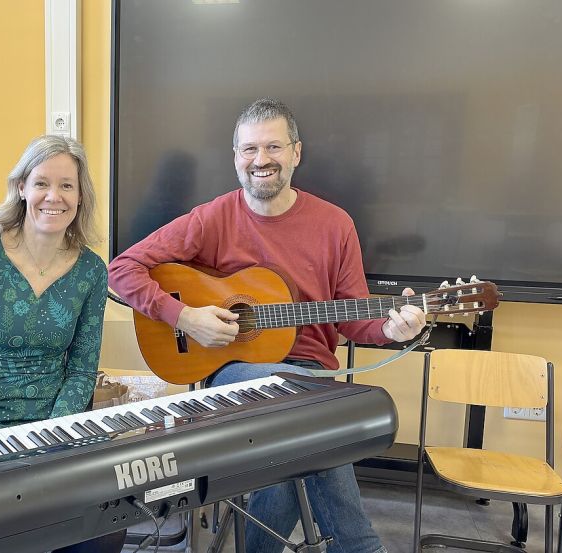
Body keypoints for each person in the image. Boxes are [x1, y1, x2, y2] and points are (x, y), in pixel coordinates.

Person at [108, 98, 426, 553]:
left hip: (311, 376)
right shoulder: (214, 217)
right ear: (235, 157)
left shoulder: (335, 225)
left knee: (303, 430)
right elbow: (122, 268)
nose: (261, 160)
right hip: (234, 373)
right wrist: (186, 317)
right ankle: (361, 546)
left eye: (273, 147)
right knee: (313, 410)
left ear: (297, 153)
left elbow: (356, 317)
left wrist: (391, 331)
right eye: (249, 149)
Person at [0, 134, 125, 553]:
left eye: (66, 186)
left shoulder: (92, 270)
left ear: (79, 196)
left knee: (102, 516)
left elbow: (81, 370)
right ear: (21, 188)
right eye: (41, 183)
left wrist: (53, 435)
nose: (53, 196)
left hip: (54, 423)